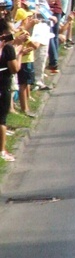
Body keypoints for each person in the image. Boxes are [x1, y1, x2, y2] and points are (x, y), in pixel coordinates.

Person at [0, 17, 27, 162]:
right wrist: (20, 53)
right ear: (5, 32)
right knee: (2, 119)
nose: (14, 32)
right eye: (11, 30)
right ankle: (2, 150)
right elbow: (14, 68)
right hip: (3, 84)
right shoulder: (8, 48)